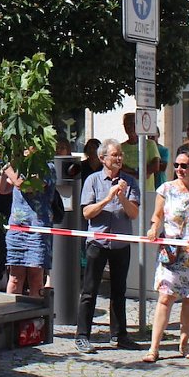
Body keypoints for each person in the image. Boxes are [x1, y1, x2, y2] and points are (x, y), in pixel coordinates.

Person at [143, 149, 189, 363]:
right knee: (165, 297)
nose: (179, 170)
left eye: (184, 166)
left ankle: (184, 343)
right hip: (173, 252)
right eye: (176, 165)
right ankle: (153, 348)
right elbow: (157, 216)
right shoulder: (165, 189)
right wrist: (153, 229)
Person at [75, 139, 142, 353]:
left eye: (120, 154)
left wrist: (121, 196)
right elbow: (87, 213)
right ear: (103, 158)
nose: (119, 158)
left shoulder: (130, 182)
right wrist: (108, 198)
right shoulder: (93, 181)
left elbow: (133, 213)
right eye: (114, 155)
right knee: (90, 290)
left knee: (119, 291)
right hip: (98, 242)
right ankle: (82, 335)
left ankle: (120, 335)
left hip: (121, 244)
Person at [1, 159, 56, 298]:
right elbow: (2, 189)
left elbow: (23, 185)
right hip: (16, 229)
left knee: (35, 277)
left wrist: (7, 166)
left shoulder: (47, 166)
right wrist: (2, 172)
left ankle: (33, 317)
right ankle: (11, 316)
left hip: (37, 229)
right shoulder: (19, 167)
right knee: (14, 278)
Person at [121, 112, 160, 192]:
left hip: (147, 191)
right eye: (126, 124)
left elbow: (155, 166)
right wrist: (140, 173)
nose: (129, 126)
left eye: (132, 123)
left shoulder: (150, 144)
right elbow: (121, 168)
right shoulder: (121, 147)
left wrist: (131, 172)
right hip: (128, 192)